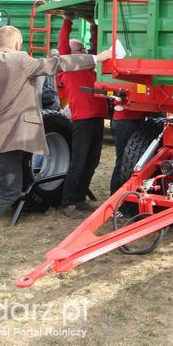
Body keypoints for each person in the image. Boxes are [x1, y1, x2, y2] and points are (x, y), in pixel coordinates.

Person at [0, 25, 112, 272]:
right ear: (17, 44)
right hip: (3, 140)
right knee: (10, 190)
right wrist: (97, 58)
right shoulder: (22, 61)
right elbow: (59, 63)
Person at [57, 13, 108, 218]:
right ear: (72, 53)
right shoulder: (68, 65)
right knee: (78, 162)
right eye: (81, 50)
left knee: (92, 161)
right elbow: (63, 46)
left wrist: (93, 25)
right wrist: (68, 21)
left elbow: (97, 49)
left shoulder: (91, 65)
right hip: (83, 119)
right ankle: (67, 202)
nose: (85, 52)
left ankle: (79, 198)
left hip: (96, 117)